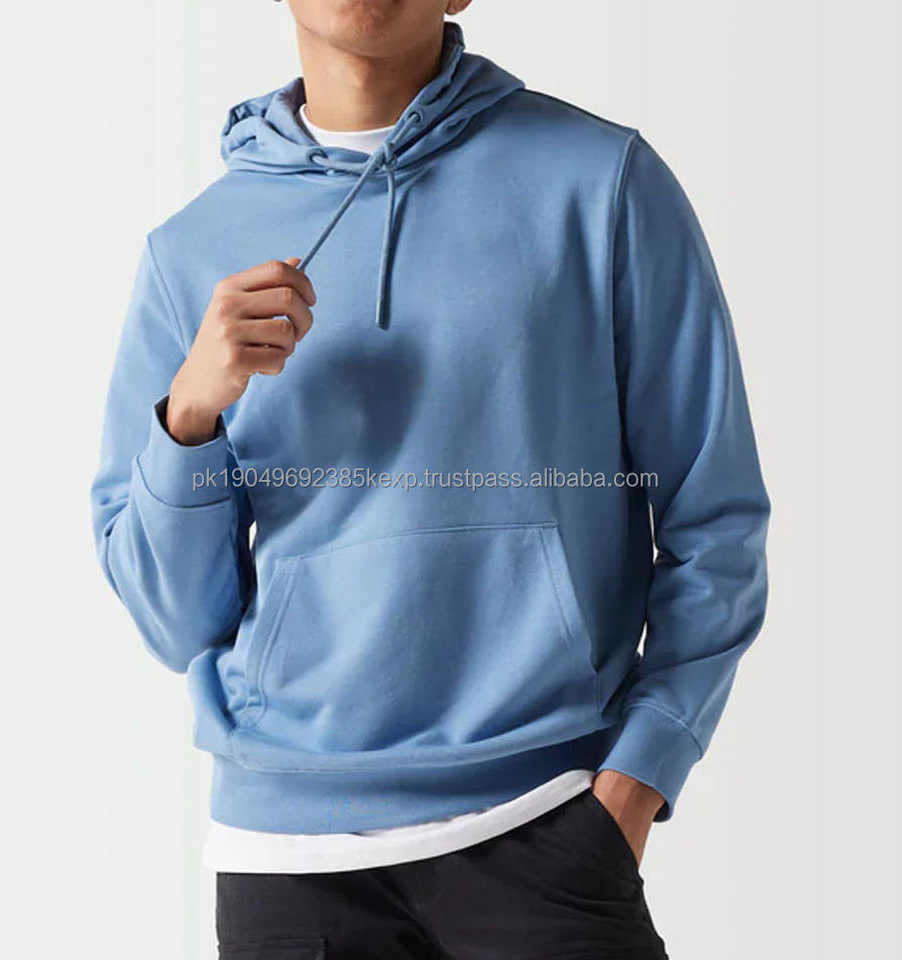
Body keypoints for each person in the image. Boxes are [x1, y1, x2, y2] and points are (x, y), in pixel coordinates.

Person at [91, 1, 770, 956]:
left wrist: (639, 777)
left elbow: (716, 516)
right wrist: (191, 414)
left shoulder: (601, 182)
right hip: (286, 851)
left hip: (547, 816)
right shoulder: (191, 250)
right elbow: (175, 621)